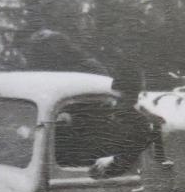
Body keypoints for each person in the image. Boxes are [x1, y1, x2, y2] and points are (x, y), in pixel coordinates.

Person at [24, 29, 159, 177]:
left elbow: (99, 110)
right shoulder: (49, 73)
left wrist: (70, 115)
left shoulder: (87, 69)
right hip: (66, 136)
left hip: (88, 141)